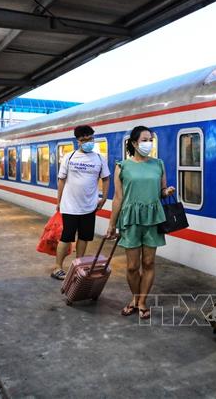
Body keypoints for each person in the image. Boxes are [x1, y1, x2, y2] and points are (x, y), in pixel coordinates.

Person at [106, 126, 175, 320]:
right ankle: (135, 298)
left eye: (151, 139)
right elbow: (118, 198)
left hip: (153, 217)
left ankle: (142, 301)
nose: (149, 143)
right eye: (145, 140)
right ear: (135, 143)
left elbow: (161, 191)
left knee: (149, 262)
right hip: (130, 219)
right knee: (132, 266)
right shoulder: (122, 166)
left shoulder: (158, 164)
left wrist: (166, 192)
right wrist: (112, 224)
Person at [51, 125, 111, 280]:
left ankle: (77, 266)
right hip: (70, 206)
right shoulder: (69, 157)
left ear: (93, 138)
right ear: (77, 141)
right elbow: (61, 180)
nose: (87, 142)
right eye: (83, 140)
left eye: (90, 139)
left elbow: (106, 179)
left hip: (90, 206)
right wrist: (59, 201)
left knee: (84, 237)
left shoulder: (99, 158)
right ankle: (58, 267)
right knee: (66, 237)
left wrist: (104, 197)